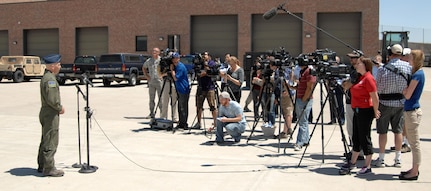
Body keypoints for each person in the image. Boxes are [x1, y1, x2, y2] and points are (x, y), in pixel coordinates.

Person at [373, 44, 412, 168]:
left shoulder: (382, 69)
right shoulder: (408, 67)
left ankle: (382, 158)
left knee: (382, 132)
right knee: (398, 131)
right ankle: (397, 158)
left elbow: (377, 88)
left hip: (384, 103)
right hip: (400, 103)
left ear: (390, 54)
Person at [340, 57, 380, 175]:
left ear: (365, 65)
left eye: (358, 64)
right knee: (356, 137)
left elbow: (375, 97)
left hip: (365, 111)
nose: (356, 65)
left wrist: (376, 110)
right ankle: (352, 161)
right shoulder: (359, 77)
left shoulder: (369, 78)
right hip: (357, 110)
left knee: (364, 137)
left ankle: (367, 165)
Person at [37, 54, 65, 177]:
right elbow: (52, 99)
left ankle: (42, 164)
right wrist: (60, 107)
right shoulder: (51, 80)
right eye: (58, 64)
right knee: (51, 139)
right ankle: (49, 168)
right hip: (50, 113)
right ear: (53, 66)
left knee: (45, 137)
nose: (60, 66)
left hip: (46, 111)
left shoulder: (47, 77)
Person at [399, 49, 425, 181]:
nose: (408, 60)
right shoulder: (418, 73)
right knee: (414, 142)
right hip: (411, 111)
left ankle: (414, 171)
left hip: (412, 112)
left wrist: (404, 91)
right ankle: (414, 169)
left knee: (414, 144)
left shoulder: (417, 75)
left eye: (410, 58)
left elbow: (408, 94)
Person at [292, 58, 316, 151]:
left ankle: (299, 142)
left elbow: (310, 87)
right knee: (303, 120)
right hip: (300, 97)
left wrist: (304, 99)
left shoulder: (309, 72)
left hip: (304, 99)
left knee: (302, 121)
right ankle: (306, 139)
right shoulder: (303, 71)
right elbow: (301, 86)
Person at [194, 51, 217, 129]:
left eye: (206, 55)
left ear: (209, 56)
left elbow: (214, 73)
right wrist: (201, 73)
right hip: (201, 87)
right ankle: (198, 122)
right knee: (198, 106)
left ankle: (215, 122)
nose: (204, 57)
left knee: (212, 105)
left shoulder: (212, 63)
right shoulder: (199, 63)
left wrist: (206, 71)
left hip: (210, 87)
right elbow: (197, 72)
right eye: (203, 55)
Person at [170, 52, 190, 129]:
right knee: (180, 106)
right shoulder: (176, 66)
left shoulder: (180, 67)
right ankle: (181, 122)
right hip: (179, 89)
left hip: (183, 89)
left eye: (176, 58)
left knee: (183, 107)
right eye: (173, 59)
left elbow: (175, 78)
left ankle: (184, 123)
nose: (175, 60)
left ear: (179, 58)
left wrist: (172, 70)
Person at [143, 47, 163, 118]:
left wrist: (162, 75)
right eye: (153, 51)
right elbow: (144, 67)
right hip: (151, 82)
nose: (154, 52)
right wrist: (146, 76)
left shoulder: (161, 60)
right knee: (151, 98)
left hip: (159, 82)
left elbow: (166, 69)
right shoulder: (149, 61)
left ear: (158, 52)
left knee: (161, 98)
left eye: (155, 51)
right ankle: (151, 113)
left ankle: (162, 113)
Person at [159, 53, 178, 122]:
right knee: (165, 100)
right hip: (166, 82)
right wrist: (165, 73)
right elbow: (160, 74)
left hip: (173, 82)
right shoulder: (163, 63)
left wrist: (172, 69)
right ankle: (163, 116)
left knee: (174, 101)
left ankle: (174, 117)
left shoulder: (176, 64)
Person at [328, 56, 345, 125]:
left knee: (339, 103)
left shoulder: (341, 68)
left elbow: (344, 78)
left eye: (335, 62)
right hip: (331, 86)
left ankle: (341, 119)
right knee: (332, 103)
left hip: (339, 87)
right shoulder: (330, 68)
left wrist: (340, 84)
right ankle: (333, 118)